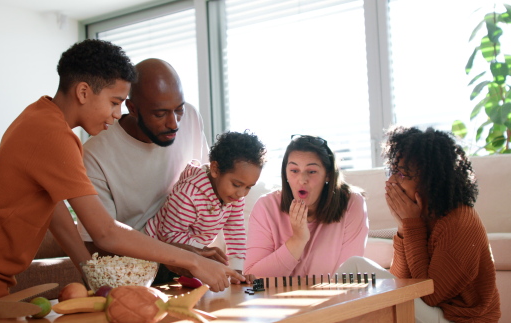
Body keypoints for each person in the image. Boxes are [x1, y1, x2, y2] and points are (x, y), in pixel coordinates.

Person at [0, 40, 239, 302]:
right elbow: (105, 231)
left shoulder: (39, 116)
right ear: (83, 92)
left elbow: (54, 207)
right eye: (114, 102)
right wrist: (193, 261)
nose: (118, 113)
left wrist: (89, 270)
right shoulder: (54, 135)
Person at [74, 58, 240, 283]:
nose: (174, 124)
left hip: (201, 258)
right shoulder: (95, 155)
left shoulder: (190, 117)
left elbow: (212, 189)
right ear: (132, 108)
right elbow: (98, 245)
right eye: (160, 114)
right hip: (140, 271)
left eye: (178, 109)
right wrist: (177, 257)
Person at [339, 126, 500, 323]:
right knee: (355, 274)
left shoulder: (460, 221)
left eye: (402, 174)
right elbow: (399, 280)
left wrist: (410, 224)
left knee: (356, 267)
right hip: (435, 320)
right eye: (392, 171)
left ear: (431, 180)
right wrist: (404, 227)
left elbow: (428, 295)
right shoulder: (423, 217)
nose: (390, 182)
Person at [146, 130, 266, 281]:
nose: (241, 193)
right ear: (215, 169)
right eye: (236, 184)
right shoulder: (189, 194)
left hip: (187, 257)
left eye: (249, 187)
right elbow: (169, 235)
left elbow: (235, 231)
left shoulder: (233, 197)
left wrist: (237, 271)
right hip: (155, 257)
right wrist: (204, 251)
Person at [243, 134, 369, 277]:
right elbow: (252, 278)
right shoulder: (266, 206)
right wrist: (298, 239)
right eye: (294, 171)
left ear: (327, 174)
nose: (302, 180)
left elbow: (347, 277)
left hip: (334, 298)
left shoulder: (352, 204)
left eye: (312, 171)